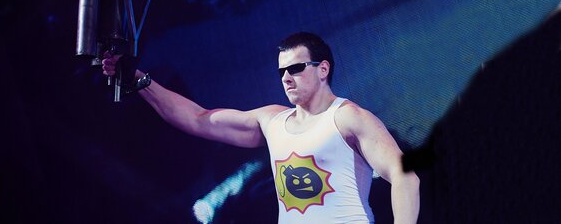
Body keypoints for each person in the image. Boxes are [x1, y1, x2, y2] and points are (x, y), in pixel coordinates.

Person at [102, 32, 419, 223]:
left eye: (296, 68)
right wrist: (138, 80)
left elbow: (404, 175)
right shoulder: (272, 121)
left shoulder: (348, 117)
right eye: (282, 71)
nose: (286, 78)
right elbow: (197, 119)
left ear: (323, 69)